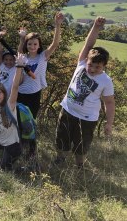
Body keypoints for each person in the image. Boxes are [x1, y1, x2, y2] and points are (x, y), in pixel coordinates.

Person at [54, 16, 115, 168]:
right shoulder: (81, 64)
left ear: (104, 66)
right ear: (86, 60)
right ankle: (60, 159)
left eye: (97, 67)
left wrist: (109, 122)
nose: (92, 69)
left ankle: (79, 165)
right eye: (91, 65)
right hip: (68, 110)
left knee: (82, 144)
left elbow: (109, 102)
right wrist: (96, 26)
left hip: (87, 118)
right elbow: (89, 44)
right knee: (62, 138)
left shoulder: (106, 81)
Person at [17, 11, 64, 158]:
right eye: (29, 44)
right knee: (19, 120)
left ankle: (31, 150)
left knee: (30, 122)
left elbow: (55, 44)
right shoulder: (23, 57)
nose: (32, 46)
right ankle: (19, 147)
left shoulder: (43, 56)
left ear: (39, 45)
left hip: (34, 95)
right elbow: (18, 52)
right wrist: (21, 37)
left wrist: (57, 25)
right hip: (20, 94)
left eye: (35, 44)